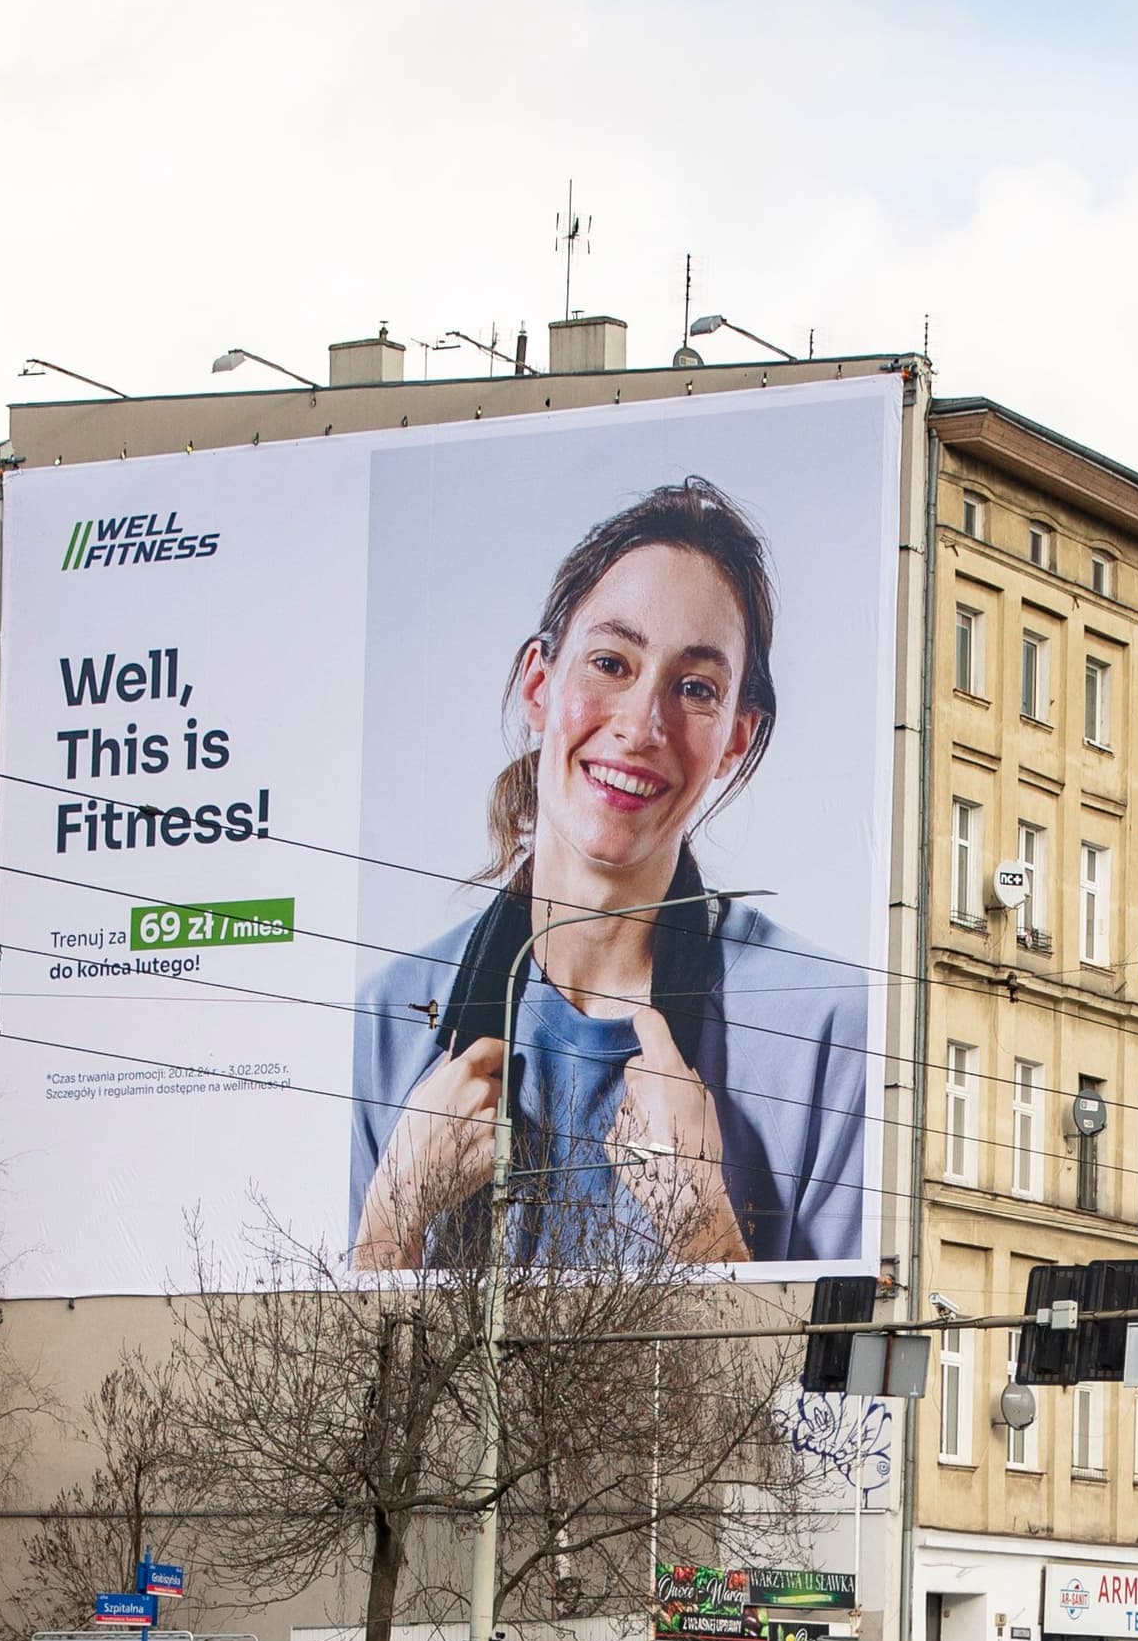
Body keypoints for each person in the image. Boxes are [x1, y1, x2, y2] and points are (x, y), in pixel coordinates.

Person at [351, 477, 865, 1272]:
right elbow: (329, 1391)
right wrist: (395, 1214)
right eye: (610, 661)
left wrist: (703, 1229)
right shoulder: (386, 1025)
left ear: (735, 736)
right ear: (538, 684)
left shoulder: (830, 1032)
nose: (641, 725)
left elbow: (844, 1394)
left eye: (695, 688)